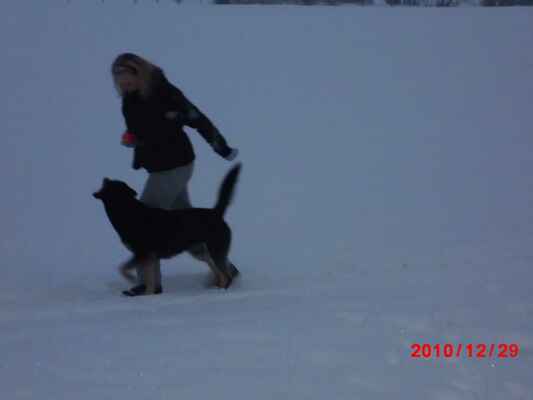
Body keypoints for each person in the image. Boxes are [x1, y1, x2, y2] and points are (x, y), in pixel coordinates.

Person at [111, 53, 238, 296]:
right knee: (186, 228)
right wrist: (133, 139)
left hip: (175, 165)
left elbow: (197, 118)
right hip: (159, 166)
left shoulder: (163, 92)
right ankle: (224, 266)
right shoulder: (130, 100)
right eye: (120, 81)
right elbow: (144, 129)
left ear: (140, 74)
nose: (124, 85)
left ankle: (149, 285)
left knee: (143, 225)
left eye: (128, 79)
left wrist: (221, 146)